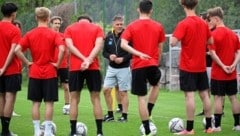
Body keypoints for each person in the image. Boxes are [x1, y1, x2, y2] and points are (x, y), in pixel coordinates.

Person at [15, 7, 64, 136]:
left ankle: (37, 131)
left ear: (36, 18)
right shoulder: (54, 34)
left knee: (35, 103)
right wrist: (57, 64)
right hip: (50, 71)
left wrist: (27, 62)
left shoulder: (30, 34)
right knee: (49, 104)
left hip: (35, 71)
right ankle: (47, 132)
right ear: (48, 19)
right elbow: (63, 49)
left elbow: (17, 50)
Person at [121, 0, 165, 135]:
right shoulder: (158, 26)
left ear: (138, 10)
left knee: (141, 97)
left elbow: (123, 44)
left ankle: (146, 128)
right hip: (152, 63)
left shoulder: (132, 26)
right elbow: (160, 47)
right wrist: (157, 61)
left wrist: (138, 54)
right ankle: (149, 111)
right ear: (151, 11)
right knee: (156, 85)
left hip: (138, 65)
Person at [170, 0, 213, 135]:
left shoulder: (183, 24)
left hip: (188, 66)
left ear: (183, 5)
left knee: (189, 96)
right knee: (205, 95)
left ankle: (189, 129)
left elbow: (172, 42)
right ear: (196, 5)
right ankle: (209, 127)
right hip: (201, 66)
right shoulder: (203, 23)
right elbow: (211, 41)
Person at [64, 15, 104, 136]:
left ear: (78, 21)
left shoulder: (70, 28)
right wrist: (89, 60)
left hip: (76, 67)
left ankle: (73, 132)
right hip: (93, 67)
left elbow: (70, 47)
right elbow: (98, 46)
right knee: (96, 99)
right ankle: (99, 132)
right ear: (90, 21)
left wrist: (83, 59)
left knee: (74, 99)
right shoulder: (97, 28)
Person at [207, 7, 240, 132]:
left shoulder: (213, 34)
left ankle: (218, 126)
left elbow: (213, 53)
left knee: (218, 98)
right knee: (233, 98)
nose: (210, 22)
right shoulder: (233, 34)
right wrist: (233, 65)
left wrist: (223, 66)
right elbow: (239, 52)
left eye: (210, 20)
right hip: (231, 73)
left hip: (218, 73)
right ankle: (237, 125)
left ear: (216, 19)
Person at [102, 15, 131, 122]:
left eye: (121, 24)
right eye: (117, 24)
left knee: (123, 92)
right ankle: (110, 115)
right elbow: (104, 52)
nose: (119, 26)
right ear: (113, 25)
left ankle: (124, 116)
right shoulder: (109, 36)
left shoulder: (128, 35)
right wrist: (109, 56)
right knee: (105, 90)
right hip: (112, 68)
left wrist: (123, 59)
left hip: (124, 68)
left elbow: (132, 53)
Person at [0, 2, 21, 136]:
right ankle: (5, 131)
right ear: (13, 14)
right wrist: (3, 68)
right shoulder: (15, 29)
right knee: (10, 98)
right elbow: (13, 51)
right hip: (11, 69)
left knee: (1, 98)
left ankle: (4, 130)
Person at [50, 16, 70, 115]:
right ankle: (50, 107)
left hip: (63, 65)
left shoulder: (63, 36)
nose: (57, 25)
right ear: (51, 24)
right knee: (51, 87)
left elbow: (68, 50)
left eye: (59, 23)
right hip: (51, 65)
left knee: (66, 86)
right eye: (55, 23)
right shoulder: (48, 35)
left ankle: (67, 106)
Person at [11, 20, 22, 117]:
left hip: (18, 69)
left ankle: (11, 109)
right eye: (15, 26)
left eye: (19, 27)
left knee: (14, 92)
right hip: (11, 69)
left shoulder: (21, 40)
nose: (17, 28)